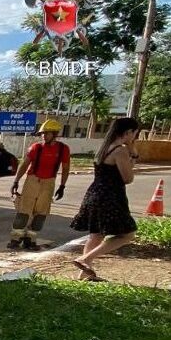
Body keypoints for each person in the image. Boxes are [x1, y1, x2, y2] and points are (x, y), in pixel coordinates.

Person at [70, 117, 140, 281]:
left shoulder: (104, 147)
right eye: (135, 134)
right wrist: (133, 155)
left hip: (95, 194)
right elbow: (128, 178)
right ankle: (85, 260)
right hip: (111, 196)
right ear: (128, 132)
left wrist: (132, 151)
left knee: (96, 235)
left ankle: (84, 274)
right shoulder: (120, 150)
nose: (135, 137)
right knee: (127, 234)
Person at [7, 119, 70, 250]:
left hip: (49, 182)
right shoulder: (36, 147)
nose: (43, 136)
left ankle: (30, 239)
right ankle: (15, 239)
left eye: (46, 133)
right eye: (42, 133)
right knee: (24, 212)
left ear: (55, 134)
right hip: (33, 180)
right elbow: (25, 164)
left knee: (41, 214)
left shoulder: (63, 149)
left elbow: (65, 168)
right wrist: (16, 181)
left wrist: (62, 186)